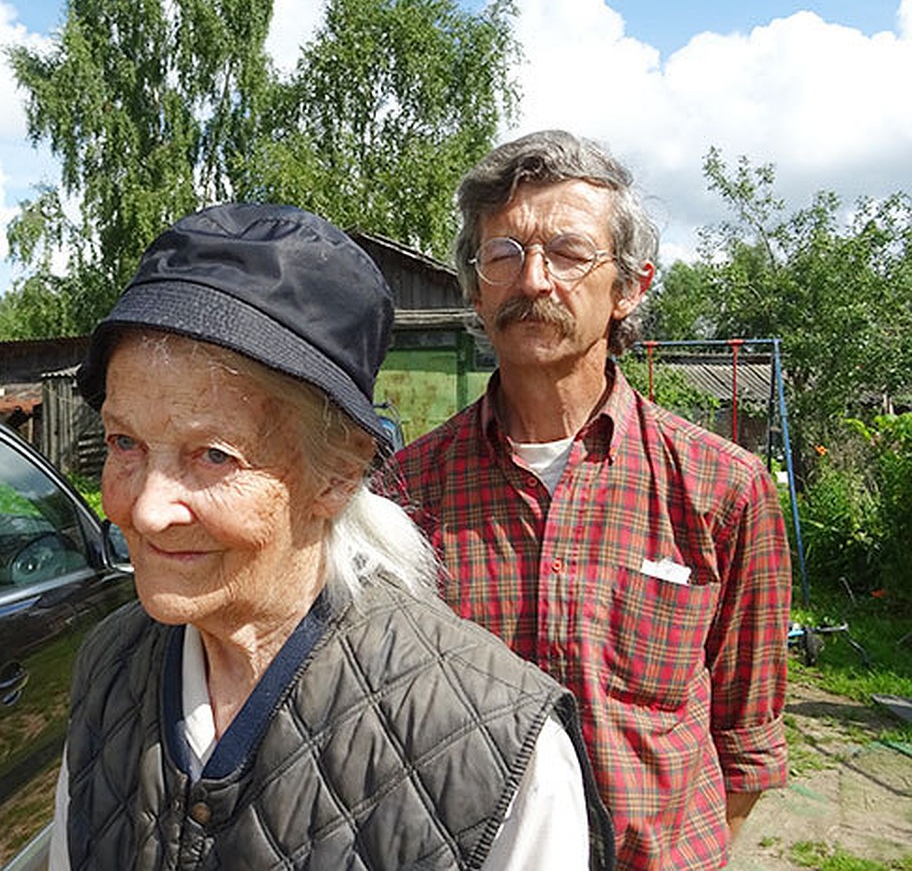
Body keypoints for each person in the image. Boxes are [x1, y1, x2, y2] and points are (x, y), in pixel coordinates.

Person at [48, 202, 615, 870]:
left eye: (213, 455)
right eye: (125, 442)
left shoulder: (495, 746)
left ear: (338, 474)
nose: (145, 510)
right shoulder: (112, 666)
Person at [376, 131, 791, 870]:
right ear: (475, 290)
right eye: (502, 254)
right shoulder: (405, 495)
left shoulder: (724, 491)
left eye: (568, 253)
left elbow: (746, 743)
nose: (534, 279)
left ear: (629, 287)